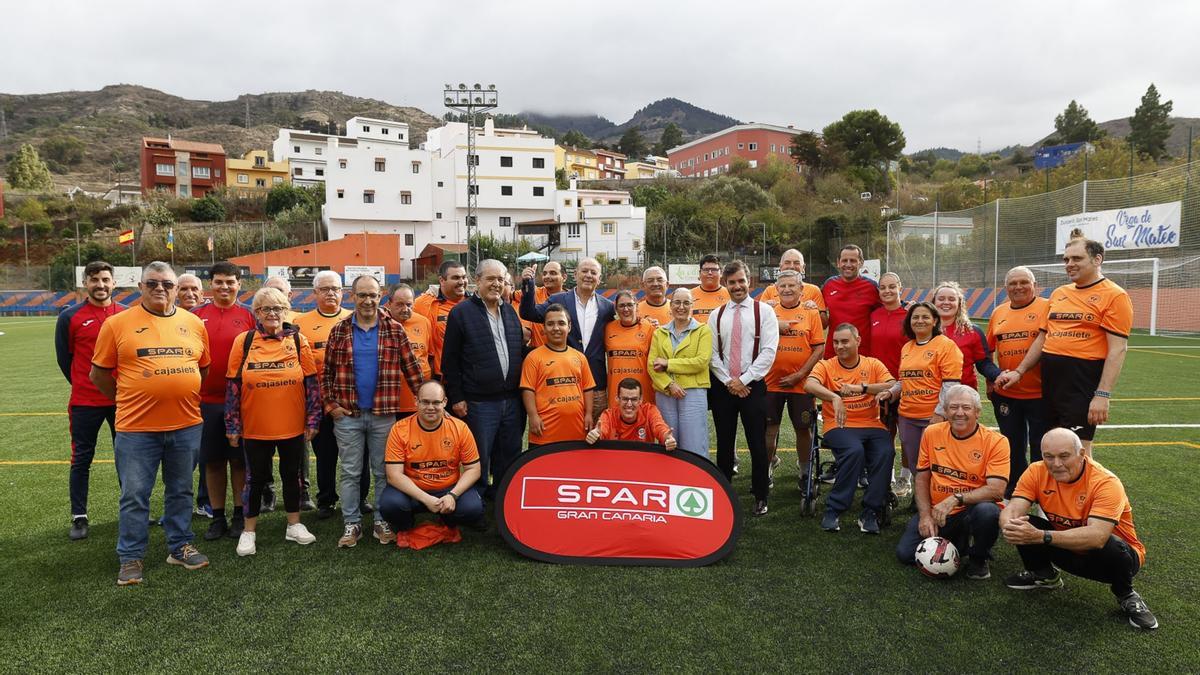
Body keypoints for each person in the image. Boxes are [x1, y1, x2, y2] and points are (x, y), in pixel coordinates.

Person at [91, 261, 212, 586]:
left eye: (167, 284)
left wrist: (177, 390)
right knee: (134, 494)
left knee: (181, 490)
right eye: (153, 283)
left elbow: (202, 368)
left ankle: (180, 546)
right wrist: (128, 398)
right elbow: (98, 374)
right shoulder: (117, 324)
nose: (161, 289)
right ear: (140, 287)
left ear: (176, 288)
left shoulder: (193, 323)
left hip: (186, 425)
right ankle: (131, 557)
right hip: (137, 429)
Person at [1001, 428, 1157, 630]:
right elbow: (1013, 508)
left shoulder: (1105, 482)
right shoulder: (1036, 471)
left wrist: (1041, 536)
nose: (1056, 464)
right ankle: (1044, 575)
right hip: (1068, 548)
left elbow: (1097, 537)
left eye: (1064, 456)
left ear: (1081, 453)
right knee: (1023, 523)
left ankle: (1126, 595)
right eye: (1049, 456)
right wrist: (1009, 525)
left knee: (1112, 544)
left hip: (1111, 560)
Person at [996, 238, 1133, 456]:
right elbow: (1043, 338)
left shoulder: (1115, 295)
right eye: (1066, 259)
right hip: (1050, 381)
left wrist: (1102, 394)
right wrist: (1019, 371)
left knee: (1077, 447)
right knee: (1052, 443)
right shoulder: (1059, 293)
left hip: (1081, 382)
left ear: (1097, 259)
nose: (1070, 264)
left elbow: (1118, 349)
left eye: (1077, 258)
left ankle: (1084, 480)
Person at [322, 275, 426, 548]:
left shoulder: (394, 329)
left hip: (383, 415)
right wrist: (332, 406)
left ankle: (381, 521)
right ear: (352, 296)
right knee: (350, 472)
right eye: (362, 295)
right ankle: (352, 523)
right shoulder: (339, 330)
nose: (368, 300)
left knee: (383, 471)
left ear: (380, 297)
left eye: (372, 295)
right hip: (349, 416)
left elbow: (412, 370)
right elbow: (327, 373)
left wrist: (429, 401)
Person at [224, 287, 320, 556]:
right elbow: (232, 385)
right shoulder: (244, 341)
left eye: (278, 308)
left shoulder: (299, 340)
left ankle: (294, 525)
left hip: (292, 426)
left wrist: (313, 419)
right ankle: (249, 531)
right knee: (254, 479)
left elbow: (312, 384)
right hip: (255, 427)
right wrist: (232, 424)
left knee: (292, 476)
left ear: (286, 311)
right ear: (257, 313)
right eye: (266, 308)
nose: (272, 313)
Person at [895, 385, 1008, 579]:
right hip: (938, 511)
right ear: (945, 411)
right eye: (953, 407)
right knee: (905, 554)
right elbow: (922, 477)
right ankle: (959, 543)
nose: (959, 413)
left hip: (970, 509)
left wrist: (956, 499)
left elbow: (996, 490)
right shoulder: (932, 433)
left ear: (978, 412)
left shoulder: (996, 441)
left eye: (966, 407)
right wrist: (925, 515)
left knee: (988, 512)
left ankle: (978, 558)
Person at [442, 260, 526, 502]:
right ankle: (475, 502)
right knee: (479, 455)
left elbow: (517, 351)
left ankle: (502, 497)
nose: (496, 284)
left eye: (500, 279)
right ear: (477, 280)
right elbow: (450, 360)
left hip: (511, 401)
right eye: (490, 279)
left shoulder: (509, 311)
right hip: (479, 403)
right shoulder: (461, 313)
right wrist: (457, 397)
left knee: (509, 453)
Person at [56, 260, 126, 540]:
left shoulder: (126, 314)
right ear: (85, 283)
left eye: (105, 279)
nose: (100, 285)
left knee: (128, 457)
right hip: (85, 402)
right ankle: (79, 516)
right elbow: (65, 360)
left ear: (114, 283)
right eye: (94, 279)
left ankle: (132, 511)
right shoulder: (69, 317)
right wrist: (85, 384)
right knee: (82, 458)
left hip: (122, 400)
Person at [805, 324, 895, 533]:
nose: (839, 346)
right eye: (836, 342)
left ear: (858, 341)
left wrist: (862, 388)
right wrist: (834, 397)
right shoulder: (826, 365)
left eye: (845, 341)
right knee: (854, 451)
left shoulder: (873, 364)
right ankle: (834, 508)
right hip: (839, 425)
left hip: (872, 424)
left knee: (886, 451)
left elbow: (892, 384)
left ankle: (871, 510)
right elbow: (809, 385)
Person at [708, 260, 779, 516]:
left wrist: (744, 380)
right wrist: (730, 382)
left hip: (753, 387)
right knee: (724, 443)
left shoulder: (764, 312)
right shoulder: (716, 315)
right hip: (724, 387)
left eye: (741, 281)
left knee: (757, 444)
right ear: (725, 284)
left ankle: (760, 495)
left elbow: (768, 352)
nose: (737, 286)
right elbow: (712, 355)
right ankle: (724, 493)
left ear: (749, 281)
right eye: (732, 282)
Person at [192, 261, 255, 540]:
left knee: (239, 461)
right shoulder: (195, 316)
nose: (225, 287)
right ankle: (217, 516)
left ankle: (239, 514)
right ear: (211, 284)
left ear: (239, 284)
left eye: (230, 282)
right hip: (205, 401)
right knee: (213, 461)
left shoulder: (249, 316)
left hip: (241, 402)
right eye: (219, 281)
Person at [878, 302, 962, 495]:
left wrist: (939, 414)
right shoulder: (907, 347)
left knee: (935, 464)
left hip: (932, 417)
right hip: (907, 416)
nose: (920, 321)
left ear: (935, 321)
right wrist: (891, 392)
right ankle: (920, 499)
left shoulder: (946, 345)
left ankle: (938, 501)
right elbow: (904, 380)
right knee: (916, 464)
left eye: (925, 317)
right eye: (915, 317)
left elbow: (950, 385)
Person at [380, 381, 484, 534]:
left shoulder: (460, 428)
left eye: (436, 402)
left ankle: (448, 518)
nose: (430, 407)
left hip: (448, 487)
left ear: (445, 402)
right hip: (412, 489)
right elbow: (393, 475)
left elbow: (474, 469)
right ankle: (406, 523)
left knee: (473, 509)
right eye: (425, 402)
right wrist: (425, 498)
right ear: (416, 401)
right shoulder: (400, 429)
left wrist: (452, 495)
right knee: (390, 505)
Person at [986, 266, 1051, 497]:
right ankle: (1016, 489)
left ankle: (1041, 491)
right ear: (1006, 288)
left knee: (1041, 446)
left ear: (1035, 285)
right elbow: (989, 350)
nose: (1018, 287)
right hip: (1007, 394)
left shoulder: (1047, 307)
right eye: (1013, 283)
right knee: (1012, 445)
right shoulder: (998, 313)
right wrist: (990, 382)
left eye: (1024, 282)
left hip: (1040, 394)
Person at [293, 270, 353, 519]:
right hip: (317, 402)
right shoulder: (301, 323)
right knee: (325, 455)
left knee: (354, 455)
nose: (331, 293)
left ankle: (358, 499)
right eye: (325, 289)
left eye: (335, 289)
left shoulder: (354, 318)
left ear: (343, 292)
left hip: (350, 401)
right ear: (315, 292)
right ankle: (326, 500)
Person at [520, 257, 613, 416]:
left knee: (595, 430)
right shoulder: (558, 300)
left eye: (593, 272)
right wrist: (528, 283)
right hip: (564, 382)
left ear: (599, 278)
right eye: (584, 271)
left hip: (596, 384)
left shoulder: (608, 307)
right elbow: (529, 313)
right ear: (575, 275)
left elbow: (625, 323)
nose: (588, 275)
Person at [763, 270, 825, 489]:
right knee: (769, 429)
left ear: (801, 289)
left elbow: (819, 348)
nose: (787, 289)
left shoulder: (811, 312)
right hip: (771, 383)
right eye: (783, 286)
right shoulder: (767, 311)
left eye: (792, 286)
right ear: (776, 289)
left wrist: (800, 374)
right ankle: (766, 468)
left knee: (803, 429)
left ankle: (805, 472)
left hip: (801, 384)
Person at [648, 288, 713, 458]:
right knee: (667, 440)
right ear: (671, 305)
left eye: (686, 303)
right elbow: (652, 365)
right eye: (677, 302)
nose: (681, 307)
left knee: (694, 443)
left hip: (693, 393)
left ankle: (696, 474)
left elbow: (701, 362)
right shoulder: (659, 332)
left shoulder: (703, 330)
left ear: (692, 305)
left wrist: (668, 364)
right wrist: (669, 384)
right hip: (665, 393)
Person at [520, 303, 596, 447]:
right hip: (544, 433)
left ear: (569, 327)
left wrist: (588, 414)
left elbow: (587, 388)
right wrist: (533, 416)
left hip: (576, 431)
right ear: (544, 328)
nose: (556, 328)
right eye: (550, 324)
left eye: (561, 323)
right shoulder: (533, 357)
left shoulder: (579, 357)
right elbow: (528, 390)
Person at [867, 272, 908, 491]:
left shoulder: (910, 315)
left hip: (906, 385)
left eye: (892, 286)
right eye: (883, 287)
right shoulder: (874, 315)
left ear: (900, 287)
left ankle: (905, 477)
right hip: (881, 385)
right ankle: (888, 475)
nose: (887, 291)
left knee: (907, 436)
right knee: (884, 434)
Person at [932, 281, 1001, 396]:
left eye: (951, 299)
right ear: (934, 302)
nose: (946, 302)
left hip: (963, 395)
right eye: (941, 299)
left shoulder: (973, 331)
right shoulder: (923, 331)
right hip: (929, 396)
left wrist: (999, 375)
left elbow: (984, 363)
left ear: (959, 303)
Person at [821, 244, 880, 358]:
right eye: (844, 260)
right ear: (838, 263)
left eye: (853, 261)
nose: (848, 264)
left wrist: (906, 305)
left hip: (862, 355)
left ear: (861, 263)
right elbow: (816, 307)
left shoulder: (871, 287)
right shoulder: (829, 285)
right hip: (833, 354)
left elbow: (889, 305)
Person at [385, 285, 433, 419]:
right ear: (389, 303)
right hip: (390, 401)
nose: (405, 309)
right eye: (399, 304)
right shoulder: (381, 324)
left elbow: (430, 357)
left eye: (409, 304)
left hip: (419, 400)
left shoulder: (424, 322)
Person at [414, 260, 468, 379]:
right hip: (440, 376)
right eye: (455, 278)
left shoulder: (475, 303)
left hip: (469, 376)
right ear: (442, 280)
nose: (461, 282)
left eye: (464, 277)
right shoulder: (423, 303)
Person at [586, 378, 677, 449]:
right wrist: (596, 435)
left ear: (640, 400)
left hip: (642, 461)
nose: (629, 404)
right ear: (617, 399)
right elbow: (601, 430)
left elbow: (659, 427)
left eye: (634, 399)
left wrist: (667, 437)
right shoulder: (608, 415)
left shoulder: (649, 411)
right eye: (625, 399)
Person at [605, 290, 655, 410]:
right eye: (621, 305)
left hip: (642, 392)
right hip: (616, 393)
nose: (626, 309)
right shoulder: (608, 328)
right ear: (616, 309)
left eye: (630, 305)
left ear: (636, 306)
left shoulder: (649, 328)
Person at [758, 249, 828, 326]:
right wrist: (765, 309)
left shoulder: (813, 290)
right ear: (780, 266)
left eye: (796, 263)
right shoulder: (769, 290)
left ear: (803, 267)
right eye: (787, 263)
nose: (791, 266)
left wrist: (816, 310)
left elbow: (824, 324)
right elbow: (758, 321)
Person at [513, 261, 564, 347]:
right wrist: (527, 280)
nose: (547, 276)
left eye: (553, 273)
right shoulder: (532, 293)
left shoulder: (570, 299)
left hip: (563, 352)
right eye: (544, 274)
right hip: (537, 350)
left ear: (564, 277)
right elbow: (508, 294)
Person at [690, 254, 730, 320]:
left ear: (721, 273)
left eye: (714, 269)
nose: (710, 273)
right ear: (699, 273)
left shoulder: (730, 295)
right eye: (706, 270)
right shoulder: (689, 295)